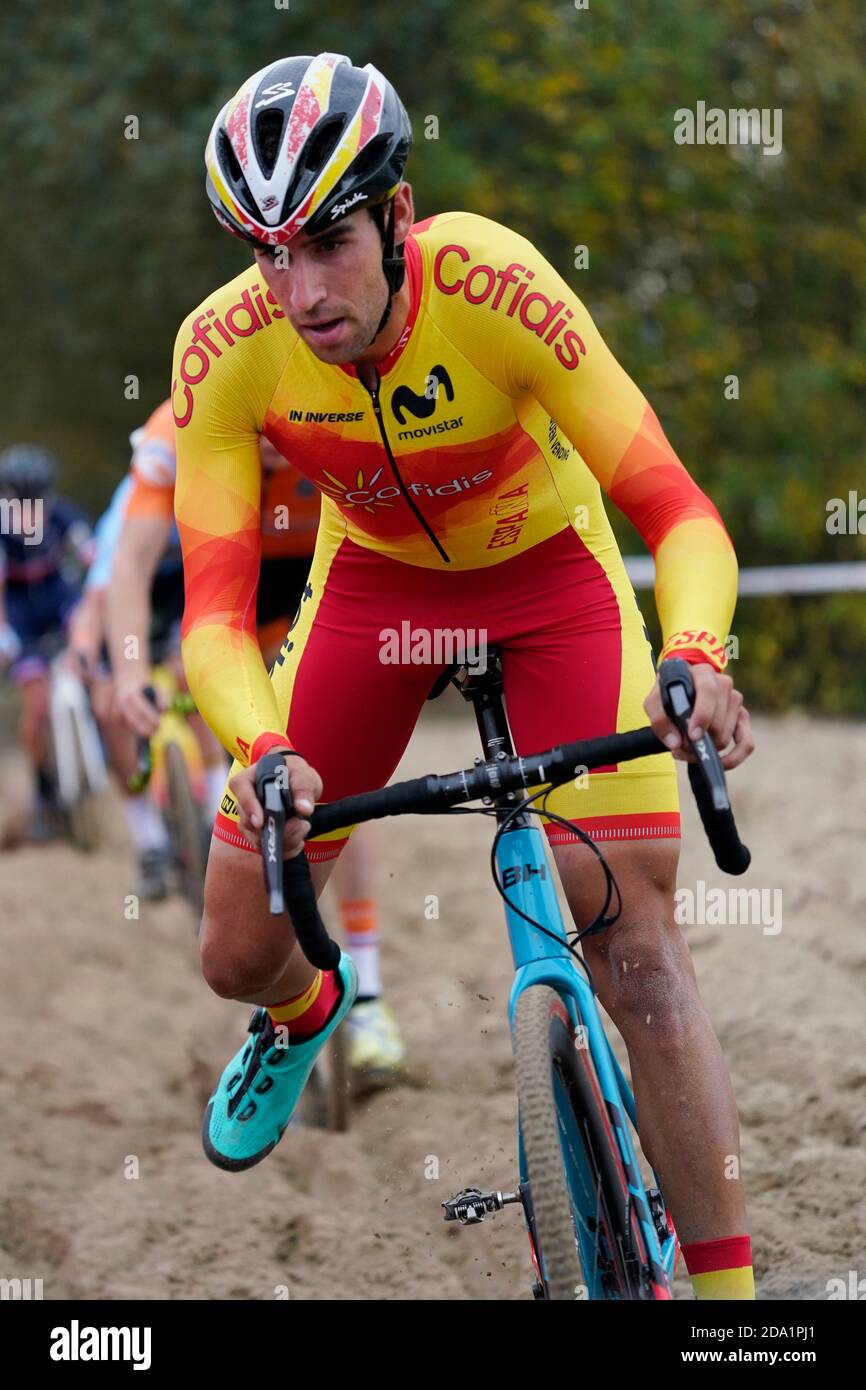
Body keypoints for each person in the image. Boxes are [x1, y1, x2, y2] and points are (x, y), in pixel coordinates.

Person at [174, 53, 755, 1300]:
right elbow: (213, 621)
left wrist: (695, 656)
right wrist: (261, 749)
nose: (298, 289)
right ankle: (307, 1010)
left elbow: (677, 509)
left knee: (632, 943)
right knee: (233, 948)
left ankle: (728, 1309)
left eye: (325, 240)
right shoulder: (224, 350)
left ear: (396, 211)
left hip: (546, 576)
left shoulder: (493, 283)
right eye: (265, 252)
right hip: (372, 590)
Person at [106, 398, 403, 1078]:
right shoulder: (176, 430)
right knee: (198, 677)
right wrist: (128, 674)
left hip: (318, 578)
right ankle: (219, 809)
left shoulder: (343, 404)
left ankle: (371, 995)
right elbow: (129, 565)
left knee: (343, 783)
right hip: (225, 580)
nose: (269, 450)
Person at [0, 444, 93, 837]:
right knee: (34, 710)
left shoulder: (61, 514)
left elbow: (94, 558)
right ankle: (42, 793)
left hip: (58, 598)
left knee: (90, 662)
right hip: (19, 614)